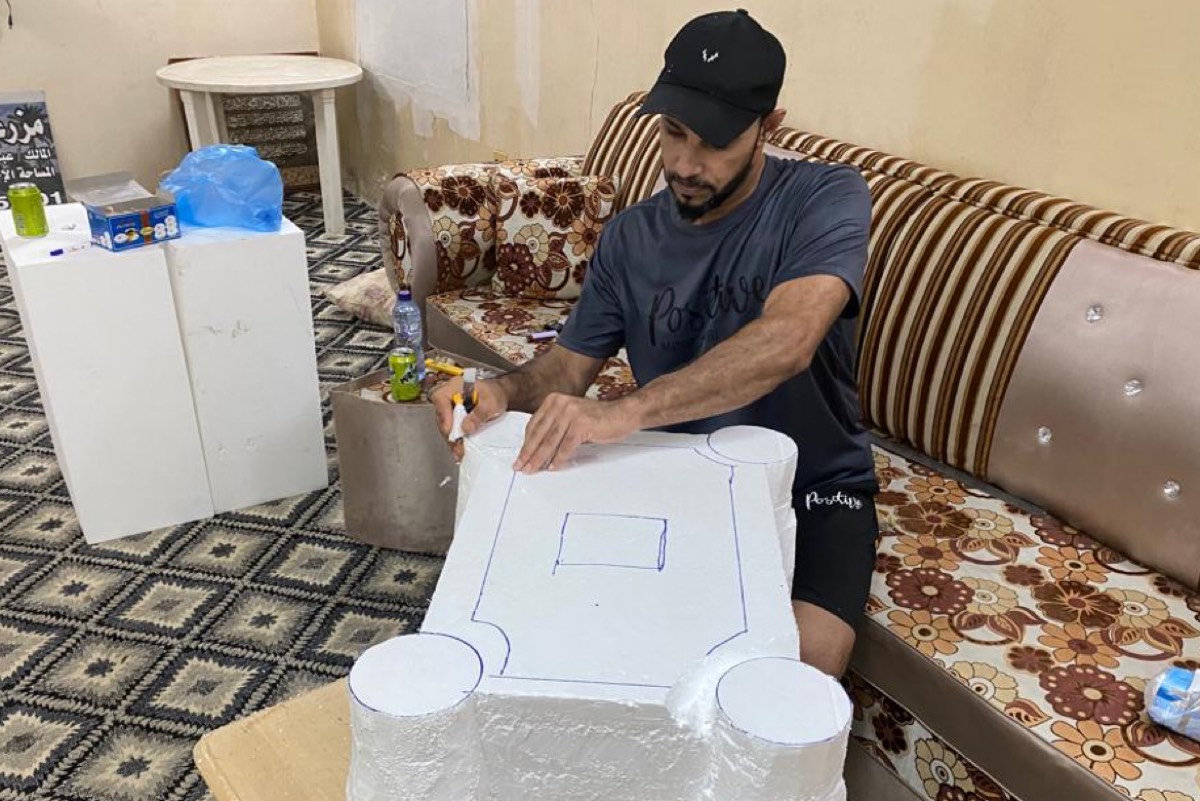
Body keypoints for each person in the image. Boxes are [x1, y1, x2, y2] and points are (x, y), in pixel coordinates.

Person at [432, 8, 877, 678]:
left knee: (801, 665)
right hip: (675, 469)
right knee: (580, 629)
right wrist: (496, 391)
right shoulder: (630, 237)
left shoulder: (825, 198)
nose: (685, 164)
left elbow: (790, 339)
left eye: (715, 141)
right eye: (673, 132)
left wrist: (626, 411)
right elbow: (567, 370)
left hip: (814, 483)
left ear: (770, 127)